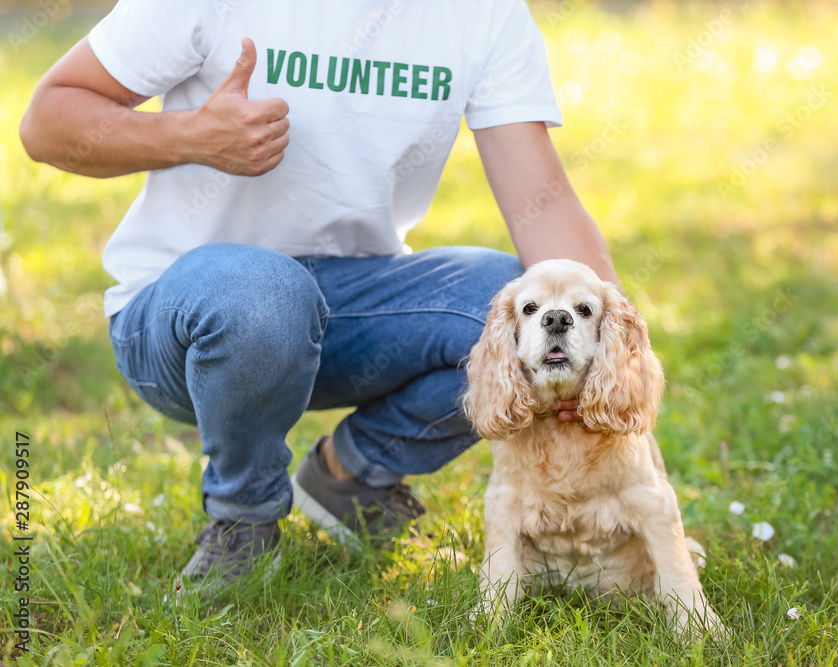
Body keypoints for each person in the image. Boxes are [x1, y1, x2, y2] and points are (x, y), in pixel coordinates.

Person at [20, 0, 621, 597]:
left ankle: (352, 472)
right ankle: (244, 519)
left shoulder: (482, 14)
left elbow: (544, 202)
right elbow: (47, 121)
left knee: (513, 313)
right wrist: (189, 136)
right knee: (263, 295)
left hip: (350, 306)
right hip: (186, 314)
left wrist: (612, 359)